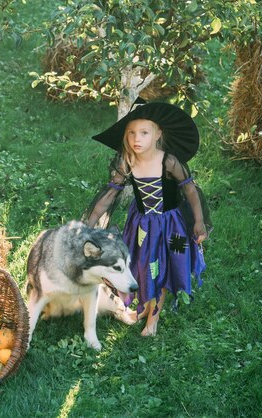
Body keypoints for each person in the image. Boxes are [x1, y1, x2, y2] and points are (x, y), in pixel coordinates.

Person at [85, 98, 211, 336]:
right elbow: (111, 193)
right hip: (142, 225)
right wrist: (89, 224)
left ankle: (153, 319)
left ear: (157, 134)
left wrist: (198, 221)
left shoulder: (169, 161)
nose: (136, 139)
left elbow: (190, 190)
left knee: (163, 267)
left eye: (144, 132)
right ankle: (145, 306)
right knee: (142, 265)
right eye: (131, 132)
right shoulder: (128, 160)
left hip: (171, 227)